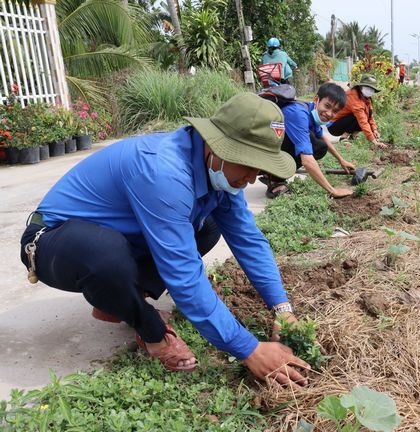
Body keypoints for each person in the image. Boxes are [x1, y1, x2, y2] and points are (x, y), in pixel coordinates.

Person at [20, 92, 310, 387]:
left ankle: (119, 300)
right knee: (105, 257)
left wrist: (282, 308)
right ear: (216, 145)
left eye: (259, 168)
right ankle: (151, 331)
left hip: (114, 238)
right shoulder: (164, 173)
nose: (251, 178)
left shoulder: (219, 175)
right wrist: (249, 349)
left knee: (207, 226)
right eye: (248, 163)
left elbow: (248, 239)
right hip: (50, 242)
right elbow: (183, 276)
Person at [260, 82, 355, 199]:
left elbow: (322, 137)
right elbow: (307, 160)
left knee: (320, 146)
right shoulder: (298, 113)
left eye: (335, 111)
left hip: (268, 149)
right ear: (317, 100)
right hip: (257, 152)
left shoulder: (310, 109)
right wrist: (333, 190)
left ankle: (273, 171)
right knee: (308, 141)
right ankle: (275, 180)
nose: (329, 113)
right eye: (327, 106)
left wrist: (341, 160)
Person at [327, 74, 388, 150]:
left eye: (372, 88)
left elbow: (370, 116)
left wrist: (374, 130)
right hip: (333, 126)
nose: (370, 90)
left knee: (365, 116)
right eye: (368, 87)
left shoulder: (366, 98)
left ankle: (351, 138)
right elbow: (363, 121)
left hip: (342, 123)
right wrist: (374, 142)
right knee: (357, 117)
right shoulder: (353, 96)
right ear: (361, 86)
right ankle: (343, 137)